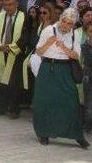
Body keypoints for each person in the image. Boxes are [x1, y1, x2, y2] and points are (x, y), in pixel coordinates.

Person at [33, 8, 89, 149]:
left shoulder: (75, 34)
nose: (65, 25)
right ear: (60, 18)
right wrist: (49, 43)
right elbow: (38, 51)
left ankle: (77, 135)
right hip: (47, 68)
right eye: (64, 21)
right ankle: (44, 133)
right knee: (44, 101)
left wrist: (64, 48)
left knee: (71, 100)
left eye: (69, 23)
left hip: (65, 69)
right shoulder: (48, 30)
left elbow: (76, 55)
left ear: (73, 24)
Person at [0, 0, 27, 119]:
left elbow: (25, 36)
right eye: (6, 5)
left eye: (11, 4)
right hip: (0, 51)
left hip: (15, 54)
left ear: (17, 4)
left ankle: (14, 109)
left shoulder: (24, 17)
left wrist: (11, 47)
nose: (8, 7)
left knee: (14, 83)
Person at [81, 23, 92, 134]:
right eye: (90, 31)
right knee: (89, 104)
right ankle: (88, 126)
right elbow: (89, 60)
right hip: (89, 76)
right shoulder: (84, 46)